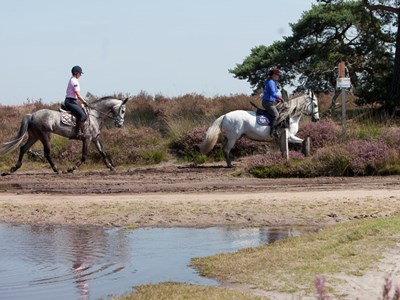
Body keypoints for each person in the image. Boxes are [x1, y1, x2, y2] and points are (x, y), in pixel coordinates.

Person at [65, 65, 89, 138]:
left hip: (71, 101)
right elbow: (78, 95)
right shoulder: (74, 81)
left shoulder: (72, 79)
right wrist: (85, 102)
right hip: (70, 102)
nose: (80, 75)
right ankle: (77, 133)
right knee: (83, 116)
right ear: (76, 73)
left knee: (81, 113)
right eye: (80, 73)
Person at [261, 68, 283, 137]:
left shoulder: (271, 81)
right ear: (273, 75)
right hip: (267, 102)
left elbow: (271, 94)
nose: (278, 76)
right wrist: (280, 98)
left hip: (268, 101)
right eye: (277, 75)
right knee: (276, 115)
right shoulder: (271, 82)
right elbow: (273, 93)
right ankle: (272, 132)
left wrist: (276, 100)